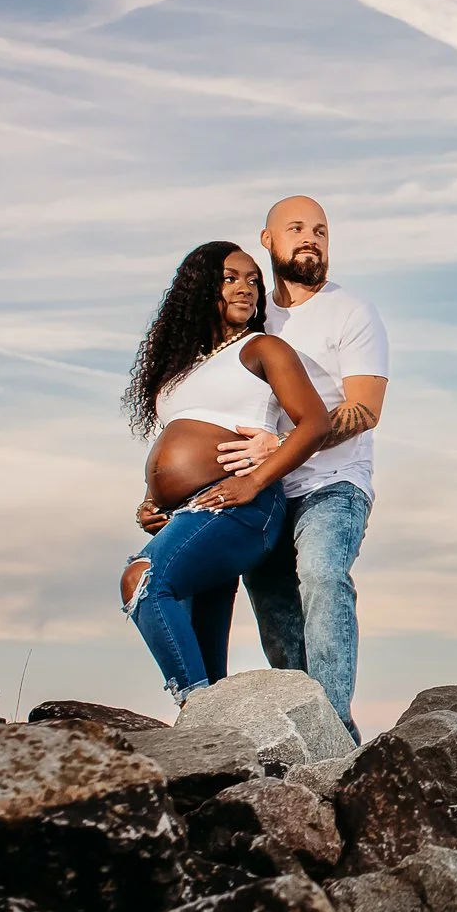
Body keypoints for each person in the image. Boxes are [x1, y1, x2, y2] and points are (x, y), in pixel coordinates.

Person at [121, 242, 329, 699]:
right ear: (199, 288)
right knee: (204, 649)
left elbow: (315, 423)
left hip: (239, 506)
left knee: (144, 581)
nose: (246, 289)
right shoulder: (181, 368)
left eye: (254, 280)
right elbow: (176, 442)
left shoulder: (264, 348)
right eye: (230, 278)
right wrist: (153, 501)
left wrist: (252, 480)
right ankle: (215, 742)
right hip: (189, 513)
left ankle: (195, 714)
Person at [213, 196, 388, 740]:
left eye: (320, 230)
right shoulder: (250, 316)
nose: (310, 238)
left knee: (322, 576)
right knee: (274, 611)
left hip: (334, 484)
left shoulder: (351, 312)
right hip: (261, 491)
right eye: (296, 228)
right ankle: (305, 734)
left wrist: (281, 445)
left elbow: (366, 409)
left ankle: (331, 730)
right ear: (267, 240)